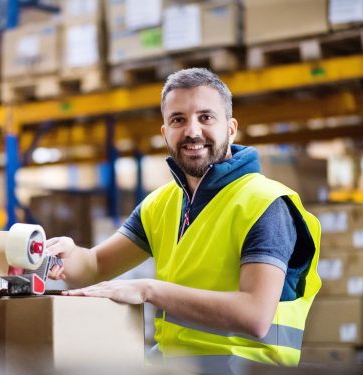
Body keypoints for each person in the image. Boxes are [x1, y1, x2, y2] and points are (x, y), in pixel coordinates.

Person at [46, 68, 321, 374]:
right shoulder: (161, 204)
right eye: (178, 119)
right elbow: (95, 266)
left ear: (231, 129)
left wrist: (149, 289)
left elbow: (255, 316)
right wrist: (67, 257)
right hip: (178, 367)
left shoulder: (264, 204)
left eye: (206, 117)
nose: (192, 131)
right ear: (165, 132)